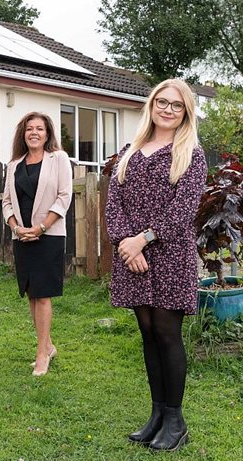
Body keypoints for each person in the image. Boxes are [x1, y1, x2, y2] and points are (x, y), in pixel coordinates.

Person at [105, 79, 206, 452]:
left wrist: (142, 240)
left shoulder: (191, 154)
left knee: (166, 333)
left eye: (176, 105)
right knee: (147, 334)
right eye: (161, 102)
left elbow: (182, 210)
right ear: (151, 105)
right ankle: (157, 414)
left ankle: (176, 421)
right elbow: (113, 203)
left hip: (169, 254)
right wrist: (125, 245)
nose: (167, 109)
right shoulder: (129, 152)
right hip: (133, 258)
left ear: (185, 113)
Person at [2, 112, 72, 377]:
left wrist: (41, 227)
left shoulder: (59, 159)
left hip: (49, 235)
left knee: (43, 295)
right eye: (29, 128)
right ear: (23, 134)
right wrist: (16, 228)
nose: (34, 133)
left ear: (47, 134)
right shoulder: (14, 165)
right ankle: (48, 345)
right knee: (32, 294)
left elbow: (64, 196)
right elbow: (7, 201)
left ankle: (42, 354)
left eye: (39, 129)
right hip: (22, 237)